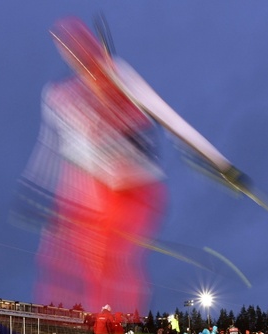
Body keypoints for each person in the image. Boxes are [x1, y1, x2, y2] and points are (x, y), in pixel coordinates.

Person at [15, 16, 247, 316]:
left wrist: (219, 163)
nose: (80, 62)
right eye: (71, 53)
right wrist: (36, 190)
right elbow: (50, 147)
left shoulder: (118, 74)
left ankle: (119, 323)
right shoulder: (61, 96)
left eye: (83, 52)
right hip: (91, 187)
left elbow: (167, 116)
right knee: (61, 253)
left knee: (110, 260)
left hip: (133, 185)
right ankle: (78, 327)